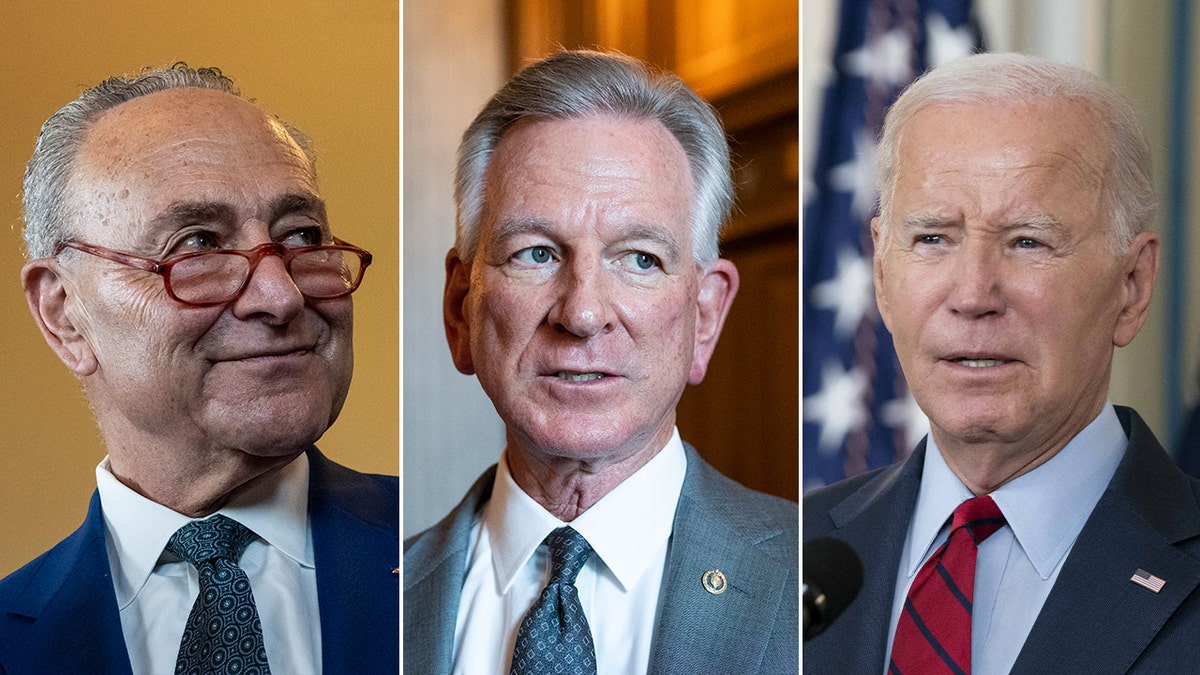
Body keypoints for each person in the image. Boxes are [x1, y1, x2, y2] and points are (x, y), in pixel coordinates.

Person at [403, 50, 798, 674]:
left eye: (639, 258)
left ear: (706, 317)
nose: (582, 313)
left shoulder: (814, 584)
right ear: (461, 310)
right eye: (534, 253)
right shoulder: (380, 597)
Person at [803, 51, 1200, 673]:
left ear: (1132, 284)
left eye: (1028, 242)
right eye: (933, 238)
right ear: (881, 274)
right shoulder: (793, 555)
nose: (972, 296)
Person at [0, 64, 398, 674]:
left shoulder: (451, 554)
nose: (281, 295)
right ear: (65, 314)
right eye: (199, 245)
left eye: (299, 235)